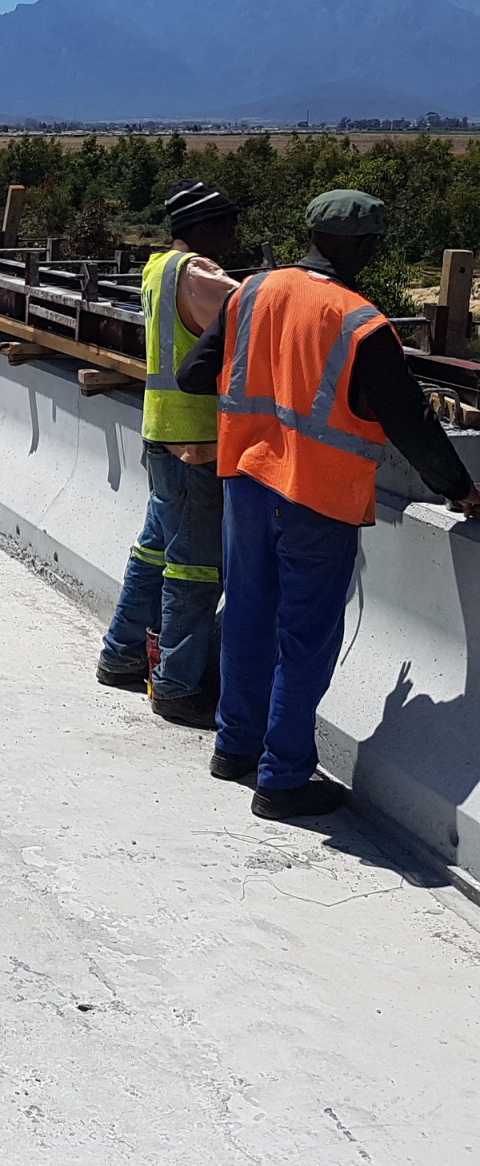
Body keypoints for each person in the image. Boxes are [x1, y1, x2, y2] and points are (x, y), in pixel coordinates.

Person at [179, 189, 480, 818]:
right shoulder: (362, 322)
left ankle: (234, 749)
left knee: (247, 616)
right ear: (366, 247)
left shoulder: (251, 291)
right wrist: (462, 488)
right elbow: (411, 421)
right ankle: (282, 779)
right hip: (317, 493)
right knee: (307, 635)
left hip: (246, 480)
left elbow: (193, 374)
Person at [97, 181, 241, 726]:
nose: (233, 236)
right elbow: (252, 315)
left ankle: (123, 653)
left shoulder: (157, 269)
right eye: (226, 225)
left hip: (161, 429)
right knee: (196, 568)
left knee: (155, 549)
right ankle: (178, 685)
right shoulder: (200, 274)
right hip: (198, 443)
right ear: (201, 230)